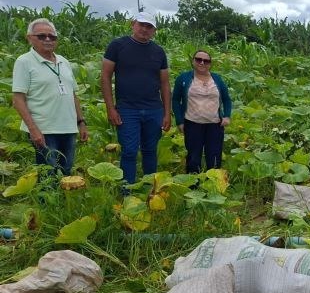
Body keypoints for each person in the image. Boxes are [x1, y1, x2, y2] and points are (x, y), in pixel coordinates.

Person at [101, 12, 171, 185]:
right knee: (129, 151)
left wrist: (166, 113)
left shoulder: (158, 52)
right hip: (127, 109)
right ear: (133, 24)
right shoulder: (117, 46)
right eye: (141, 24)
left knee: (150, 150)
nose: (145, 29)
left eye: (149, 26)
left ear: (154, 30)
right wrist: (111, 108)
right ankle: (127, 190)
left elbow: (165, 83)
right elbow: (105, 77)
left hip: (154, 109)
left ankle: (150, 187)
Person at [12, 18, 88, 175]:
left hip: (68, 128)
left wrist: (81, 122)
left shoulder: (63, 62)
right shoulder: (24, 62)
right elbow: (18, 100)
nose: (48, 39)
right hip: (44, 129)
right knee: (49, 174)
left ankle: (63, 192)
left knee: (66, 172)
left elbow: (73, 95)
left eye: (52, 36)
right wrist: (33, 130)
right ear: (29, 38)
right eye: (41, 36)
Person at [172, 50, 232, 173]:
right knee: (193, 157)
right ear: (193, 61)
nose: (202, 63)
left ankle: (214, 181)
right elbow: (176, 100)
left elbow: (226, 99)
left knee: (214, 156)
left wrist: (227, 116)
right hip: (192, 123)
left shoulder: (217, 79)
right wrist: (179, 121)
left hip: (215, 124)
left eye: (206, 61)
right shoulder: (183, 78)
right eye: (198, 59)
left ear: (210, 64)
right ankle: (193, 181)